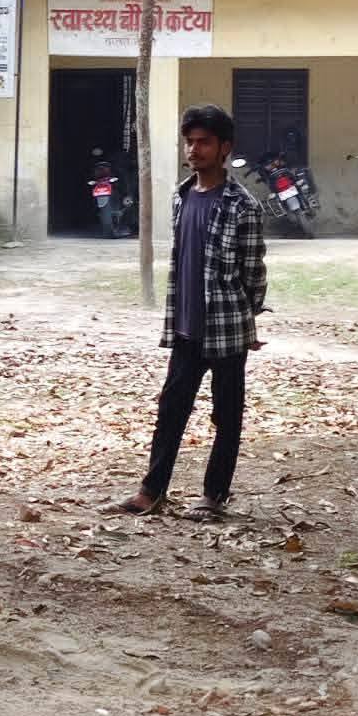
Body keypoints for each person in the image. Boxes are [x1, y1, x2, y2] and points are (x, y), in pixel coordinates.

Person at [116, 104, 267, 519]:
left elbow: (253, 271)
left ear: (224, 148)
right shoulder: (182, 197)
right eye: (190, 141)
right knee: (170, 411)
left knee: (227, 415)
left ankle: (213, 497)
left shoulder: (242, 205)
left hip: (226, 332)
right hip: (185, 330)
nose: (194, 149)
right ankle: (151, 491)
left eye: (203, 142)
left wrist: (244, 320)